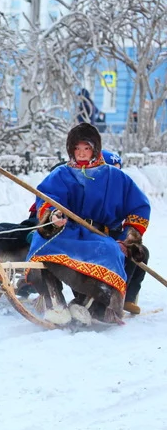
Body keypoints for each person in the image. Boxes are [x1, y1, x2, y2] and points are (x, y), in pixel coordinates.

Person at [0, 148, 149, 314]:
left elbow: (131, 218)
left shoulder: (118, 189)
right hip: (56, 226)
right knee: (24, 230)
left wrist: (125, 241)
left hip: (96, 236)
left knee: (139, 252)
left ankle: (124, 297)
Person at [28, 123, 150, 321]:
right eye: (77, 148)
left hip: (100, 233)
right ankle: (54, 300)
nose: (81, 153)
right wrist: (53, 217)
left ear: (95, 149)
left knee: (110, 252)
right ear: (70, 149)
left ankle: (94, 303)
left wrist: (130, 238)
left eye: (86, 148)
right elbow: (47, 199)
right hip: (69, 230)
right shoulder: (60, 174)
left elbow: (139, 208)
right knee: (40, 243)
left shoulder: (115, 176)